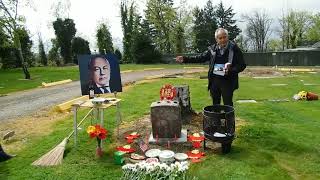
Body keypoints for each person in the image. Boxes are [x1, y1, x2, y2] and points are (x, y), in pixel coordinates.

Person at [176, 28, 246, 106]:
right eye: (220, 38)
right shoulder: (212, 49)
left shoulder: (234, 49)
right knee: (215, 104)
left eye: (225, 37)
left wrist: (231, 70)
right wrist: (185, 59)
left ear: (227, 37)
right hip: (214, 80)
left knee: (228, 104)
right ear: (216, 39)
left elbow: (242, 65)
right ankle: (216, 118)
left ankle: (229, 118)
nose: (223, 40)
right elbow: (200, 58)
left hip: (228, 81)